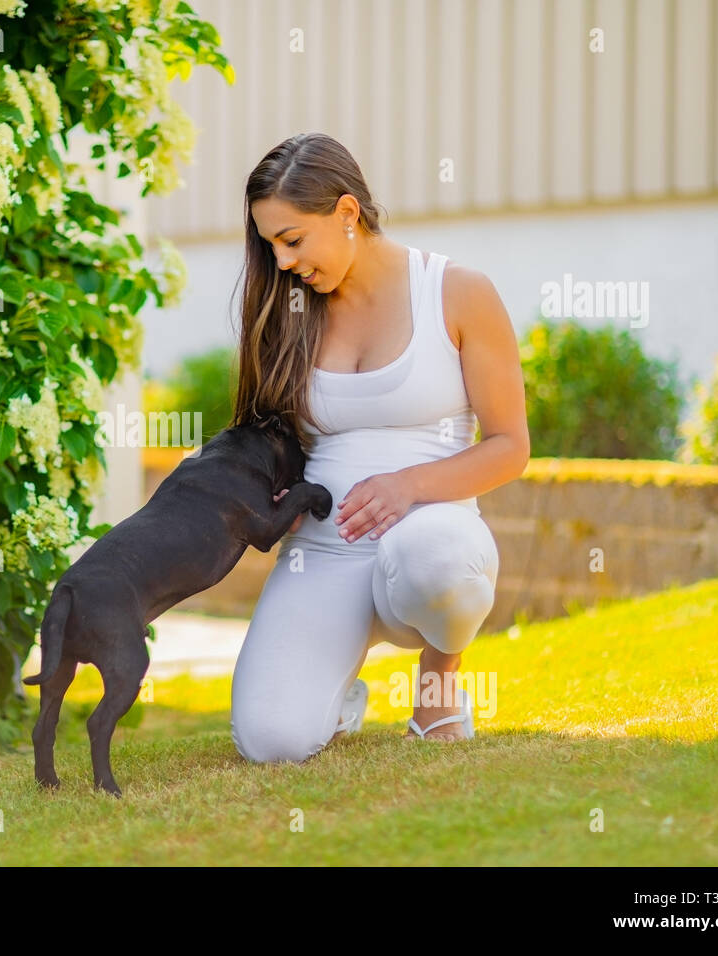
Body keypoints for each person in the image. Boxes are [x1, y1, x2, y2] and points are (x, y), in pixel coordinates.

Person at [228, 133, 530, 762]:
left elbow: (509, 447)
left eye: (292, 240)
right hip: (324, 550)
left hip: (428, 534)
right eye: (270, 245)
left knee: (438, 563)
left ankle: (439, 682)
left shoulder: (457, 291)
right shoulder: (287, 311)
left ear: (346, 213)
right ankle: (335, 691)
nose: (281, 262)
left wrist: (407, 486)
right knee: (272, 742)